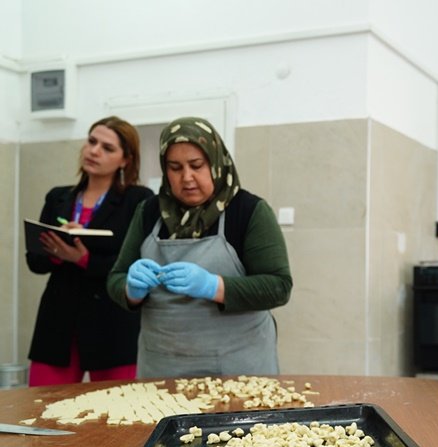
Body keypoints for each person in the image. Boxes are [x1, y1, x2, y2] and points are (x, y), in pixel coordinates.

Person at [107, 117, 292, 378]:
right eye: (174, 167)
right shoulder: (149, 212)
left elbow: (279, 287)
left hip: (238, 368)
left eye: (197, 165)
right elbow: (116, 278)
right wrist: (131, 289)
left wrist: (213, 286)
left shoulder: (248, 211)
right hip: (162, 367)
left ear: (216, 162)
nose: (187, 177)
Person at [26, 116, 153, 386]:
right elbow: (35, 261)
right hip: (58, 322)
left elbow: (137, 265)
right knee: (39, 409)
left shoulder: (138, 200)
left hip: (111, 323)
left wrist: (83, 259)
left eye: (107, 148)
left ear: (125, 160)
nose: (94, 151)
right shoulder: (57, 197)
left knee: (115, 416)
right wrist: (56, 252)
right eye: (92, 141)